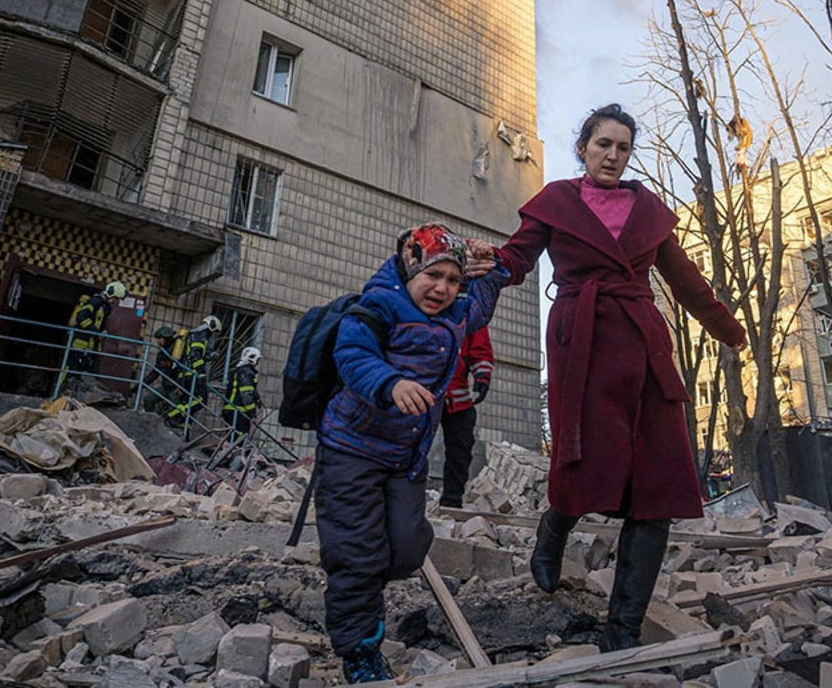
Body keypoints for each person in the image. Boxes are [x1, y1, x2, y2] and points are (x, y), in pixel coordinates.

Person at [492, 104, 747, 652]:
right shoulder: (556, 201)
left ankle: (623, 630)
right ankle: (553, 529)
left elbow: (685, 281)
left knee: (659, 484)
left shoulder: (648, 211)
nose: (612, 155)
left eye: (623, 147)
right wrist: (483, 268)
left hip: (645, 350)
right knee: (586, 460)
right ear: (582, 147)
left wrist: (731, 331)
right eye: (603, 144)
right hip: (582, 345)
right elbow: (517, 257)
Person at [315, 223, 507, 683]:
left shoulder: (456, 314)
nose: (441, 288)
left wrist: (493, 267)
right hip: (351, 452)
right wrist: (390, 383)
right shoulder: (379, 303)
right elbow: (353, 353)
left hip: (406, 459)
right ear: (409, 269)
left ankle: (363, 585)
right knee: (357, 554)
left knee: (405, 549)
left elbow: (480, 305)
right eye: (432, 276)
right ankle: (360, 653)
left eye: (453, 279)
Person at [437, 326, 493, 509]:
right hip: (421, 394)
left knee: (460, 449)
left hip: (457, 396)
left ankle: (451, 503)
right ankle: (407, 501)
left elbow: (480, 347)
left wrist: (482, 376)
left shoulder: (468, 312)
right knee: (411, 449)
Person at [166, 315, 221, 421]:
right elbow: (195, 357)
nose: (213, 335)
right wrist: (200, 373)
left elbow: (196, 354)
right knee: (201, 400)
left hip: (186, 374)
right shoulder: (200, 335)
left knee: (188, 401)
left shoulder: (194, 334)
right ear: (212, 326)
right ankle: (171, 415)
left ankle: (183, 428)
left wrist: (210, 355)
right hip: (193, 374)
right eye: (214, 331)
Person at [67, 281, 127, 375]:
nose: (117, 302)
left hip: (91, 345)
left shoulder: (104, 306)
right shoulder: (95, 302)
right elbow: (82, 317)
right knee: (72, 370)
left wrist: (101, 332)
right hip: (81, 343)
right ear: (112, 296)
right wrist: (96, 332)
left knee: (91, 371)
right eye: (117, 299)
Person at [223, 346, 263, 440]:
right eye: (257, 360)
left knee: (234, 438)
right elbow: (246, 394)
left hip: (233, 411)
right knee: (239, 439)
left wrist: (256, 397)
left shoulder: (240, 371)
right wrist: (252, 414)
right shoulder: (246, 372)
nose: (257, 363)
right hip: (237, 411)